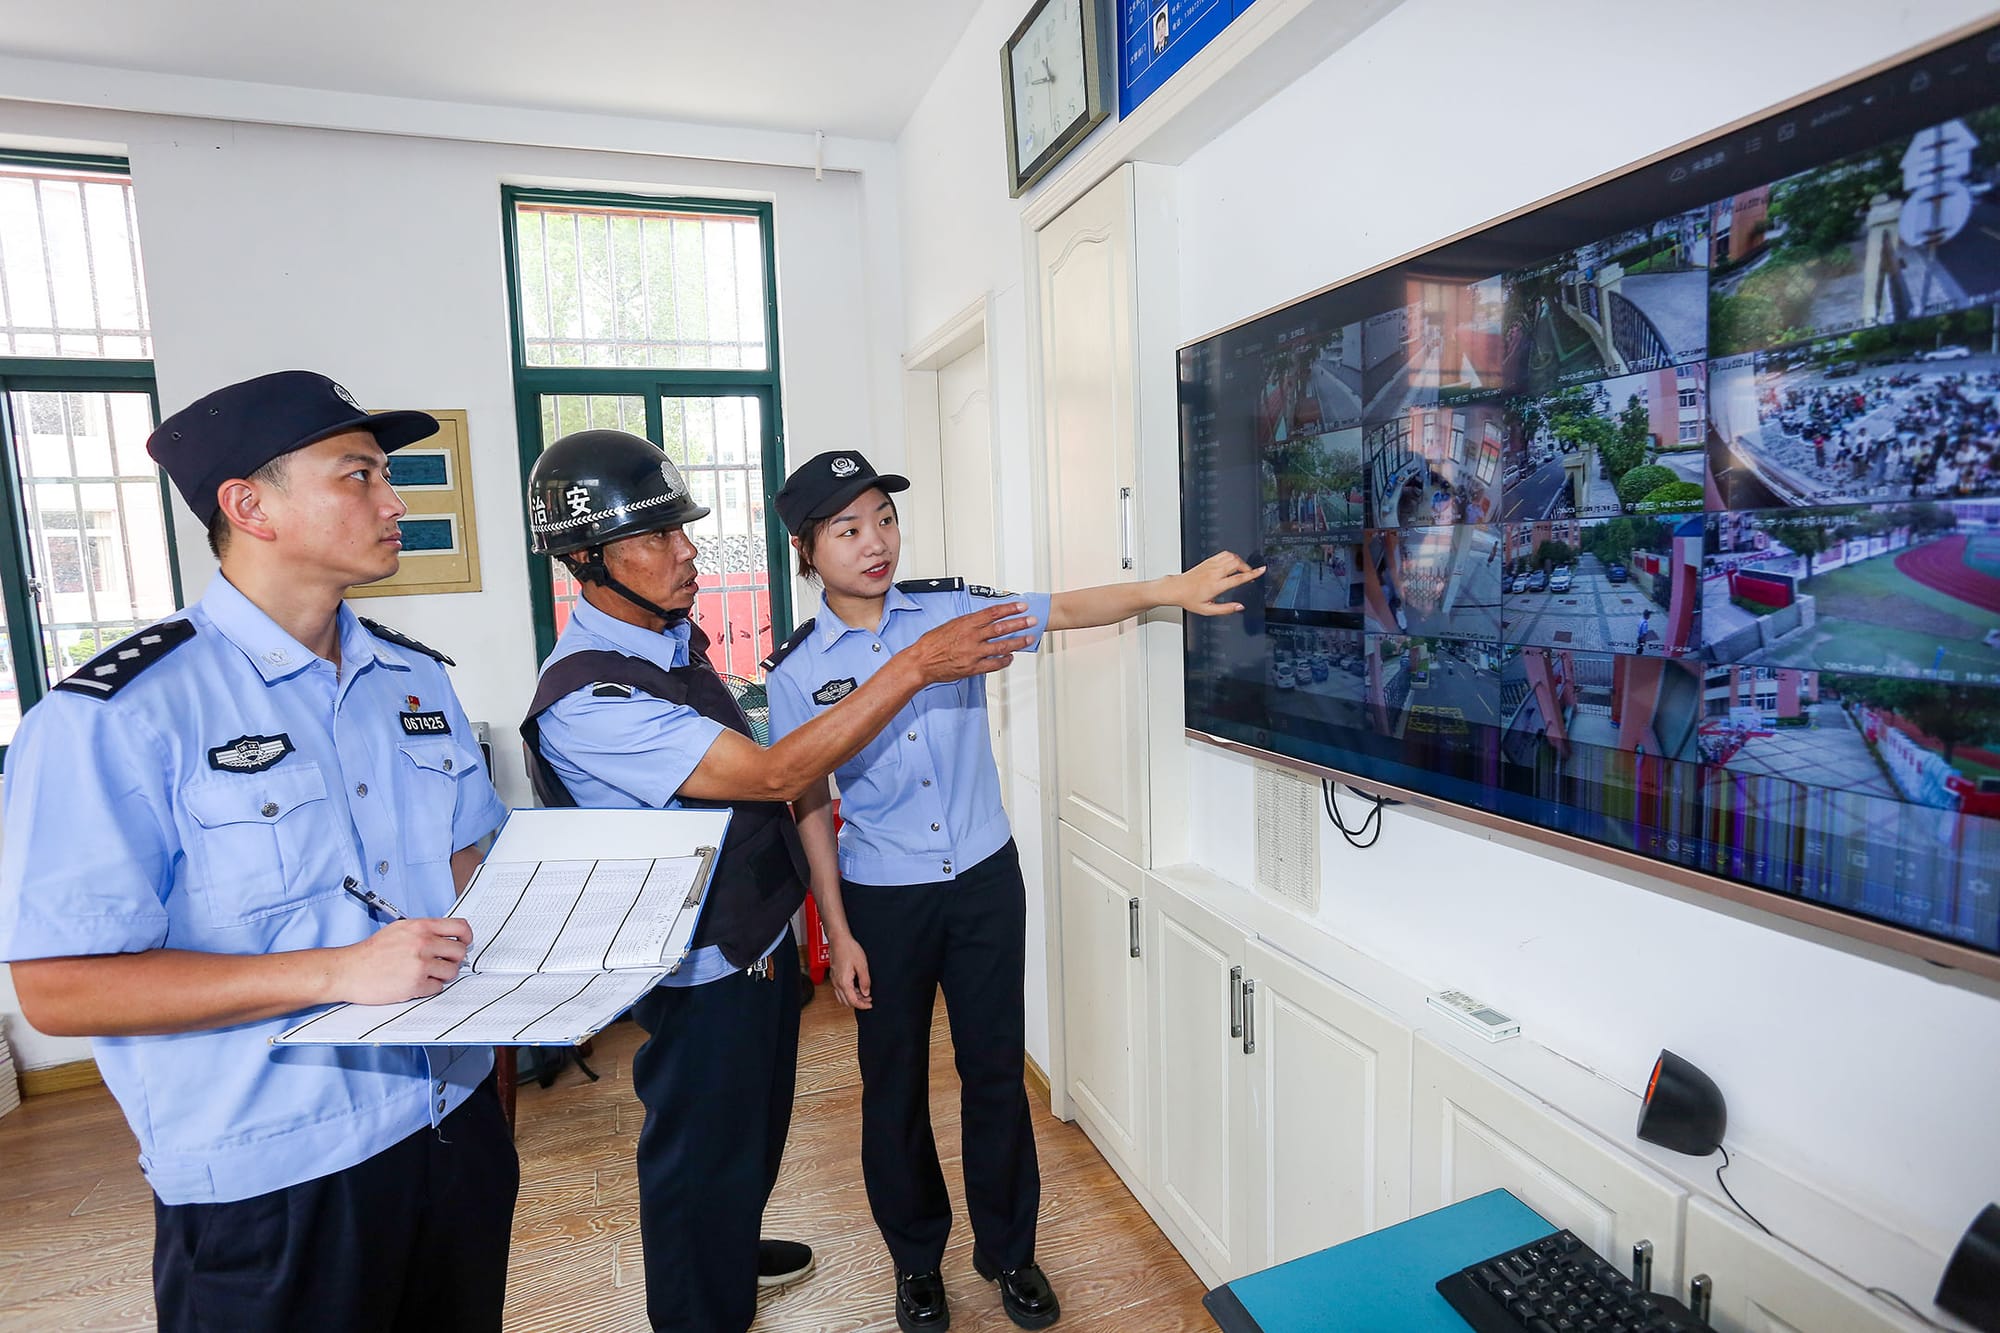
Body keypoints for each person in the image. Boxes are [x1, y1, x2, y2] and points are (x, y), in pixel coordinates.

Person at [0, 370, 517, 1331]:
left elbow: (461, 874)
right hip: (274, 1174)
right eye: (357, 475)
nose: (395, 502)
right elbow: (59, 988)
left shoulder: (413, 680)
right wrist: (337, 971)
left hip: (447, 1131)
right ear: (249, 505)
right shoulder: (118, 718)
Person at [517, 430, 1034, 1333]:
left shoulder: (668, 644)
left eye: (686, 530)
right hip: (699, 967)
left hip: (753, 948)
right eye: (660, 538)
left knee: (746, 1147)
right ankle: (701, 1298)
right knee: (697, 1159)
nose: (689, 553)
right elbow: (774, 778)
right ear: (586, 561)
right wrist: (912, 666)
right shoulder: (591, 693)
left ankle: (730, 1250)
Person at [762, 450, 1261, 1332]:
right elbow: (807, 804)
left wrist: (1168, 588)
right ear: (807, 550)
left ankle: (1009, 1252)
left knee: (995, 1073)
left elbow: (1064, 608)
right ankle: (917, 1262)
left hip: (986, 883)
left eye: (884, 517)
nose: (875, 541)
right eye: (848, 528)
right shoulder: (798, 671)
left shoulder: (954, 609)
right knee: (894, 1088)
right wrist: (838, 932)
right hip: (885, 898)